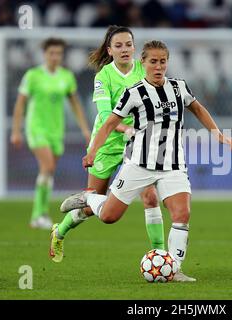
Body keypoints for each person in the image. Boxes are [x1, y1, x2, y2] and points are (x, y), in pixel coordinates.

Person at [60, 40, 232, 282]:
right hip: (139, 165)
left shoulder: (179, 88)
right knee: (110, 216)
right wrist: (92, 151)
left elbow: (198, 108)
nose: (158, 66)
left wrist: (216, 132)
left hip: (173, 166)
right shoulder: (134, 93)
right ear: (142, 63)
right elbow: (110, 123)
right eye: (153, 61)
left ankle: (174, 269)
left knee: (182, 214)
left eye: (162, 61)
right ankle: (88, 197)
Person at [49, 26, 166, 263]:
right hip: (106, 144)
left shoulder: (144, 72)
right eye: (119, 46)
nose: (125, 49)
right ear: (109, 50)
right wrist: (125, 128)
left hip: (137, 145)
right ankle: (59, 232)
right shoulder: (103, 77)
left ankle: (162, 256)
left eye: (129, 44)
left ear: (134, 47)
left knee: (150, 196)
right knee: (95, 204)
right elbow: (104, 116)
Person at [11, 38, 91, 229]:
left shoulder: (66, 76)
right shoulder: (33, 75)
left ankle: (39, 214)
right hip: (36, 128)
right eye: (51, 53)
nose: (55, 57)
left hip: (56, 130)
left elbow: (75, 103)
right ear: (44, 54)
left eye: (58, 53)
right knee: (47, 166)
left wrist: (85, 128)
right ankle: (39, 214)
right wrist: (16, 131)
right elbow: (20, 103)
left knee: (48, 171)